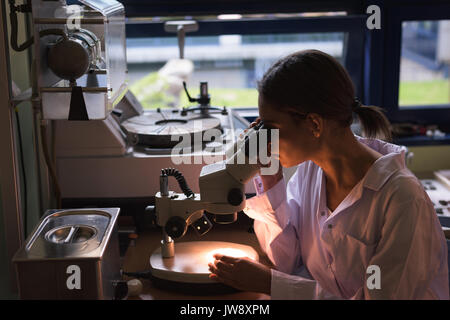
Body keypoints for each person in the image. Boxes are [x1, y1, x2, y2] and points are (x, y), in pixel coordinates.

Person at [208, 49, 449, 299]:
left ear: (314, 124)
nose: (264, 139)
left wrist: (271, 284)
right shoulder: (311, 171)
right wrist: (271, 178)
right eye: (261, 128)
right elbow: (288, 261)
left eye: (270, 128)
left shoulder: (402, 199)